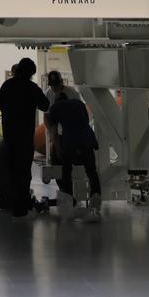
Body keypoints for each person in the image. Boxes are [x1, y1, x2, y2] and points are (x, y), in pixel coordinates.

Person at [0, 57, 49, 217]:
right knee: (24, 171)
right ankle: (21, 207)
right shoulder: (32, 88)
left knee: (11, 170)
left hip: (10, 137)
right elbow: (45, 105)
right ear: (32, 73)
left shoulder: (8, 85)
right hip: (25, 138)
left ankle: (10, 201)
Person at [46, 90, 102, 220]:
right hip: (88, 139)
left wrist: (58, 148)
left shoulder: (55, 107)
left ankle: (69, 206)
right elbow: (85, 120)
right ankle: (96, 205)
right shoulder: (79, 103)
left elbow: (53, 131)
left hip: (70, 140)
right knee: (91, 172)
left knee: (66, 172)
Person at [44, 69, 81, 163]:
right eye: (52, 85)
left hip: (72, 132)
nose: (54, 88)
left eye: (56, 85)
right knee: (57, 159)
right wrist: (55, 140)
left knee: (75, 159)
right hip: (56, 132)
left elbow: (80, 115)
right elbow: (47, 118)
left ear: (61, 82)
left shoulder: (72, 93)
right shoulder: (48, 94)